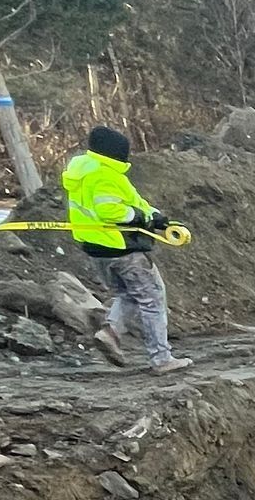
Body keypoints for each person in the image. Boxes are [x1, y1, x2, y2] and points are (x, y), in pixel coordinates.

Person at [61, 126, 191, 373]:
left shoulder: (82, 172)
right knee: (152, 296)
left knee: (128, 294)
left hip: (96, 248)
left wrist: (155, 217)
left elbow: (131, 202)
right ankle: (162, 358)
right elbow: (111, 210)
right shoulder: (106, 175)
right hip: (121, 246)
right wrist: (141, 217)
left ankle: (110, 333)